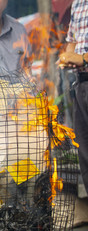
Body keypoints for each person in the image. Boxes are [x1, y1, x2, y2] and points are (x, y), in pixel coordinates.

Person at [57, 0, 88, 194]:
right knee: (84, 151)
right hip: (82, 83)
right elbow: (73, 41)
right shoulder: (78, 3)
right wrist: (68, 56)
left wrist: (83, 58)